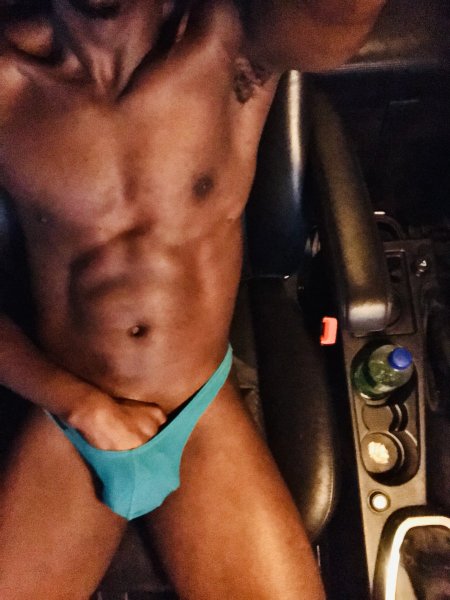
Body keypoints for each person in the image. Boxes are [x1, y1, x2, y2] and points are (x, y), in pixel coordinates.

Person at [0, 1, 385, 598]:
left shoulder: (232, 38)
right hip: (71, 411)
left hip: (198, 406)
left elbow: (339, 18)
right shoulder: (8, 81)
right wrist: (76, 404)